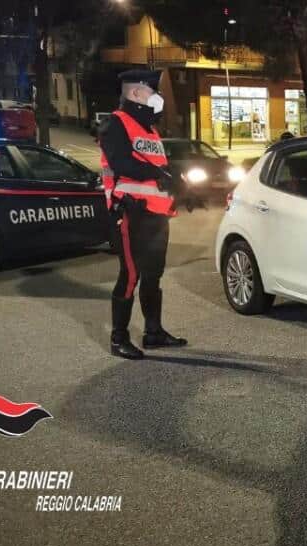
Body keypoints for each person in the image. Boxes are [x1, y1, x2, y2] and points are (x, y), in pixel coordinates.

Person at [99, 69, 188, 360]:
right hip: (130, 213)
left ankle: (153, 332)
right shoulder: (116, 123)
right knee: (131, 275)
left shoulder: (150, 129)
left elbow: (156, 167)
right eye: (152, 91)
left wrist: (176, 181)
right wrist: (159, 174)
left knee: (153, 274)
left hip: (156, 214)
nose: (156, 97)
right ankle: (118, 338)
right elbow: (122, 163)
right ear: (136, 93)